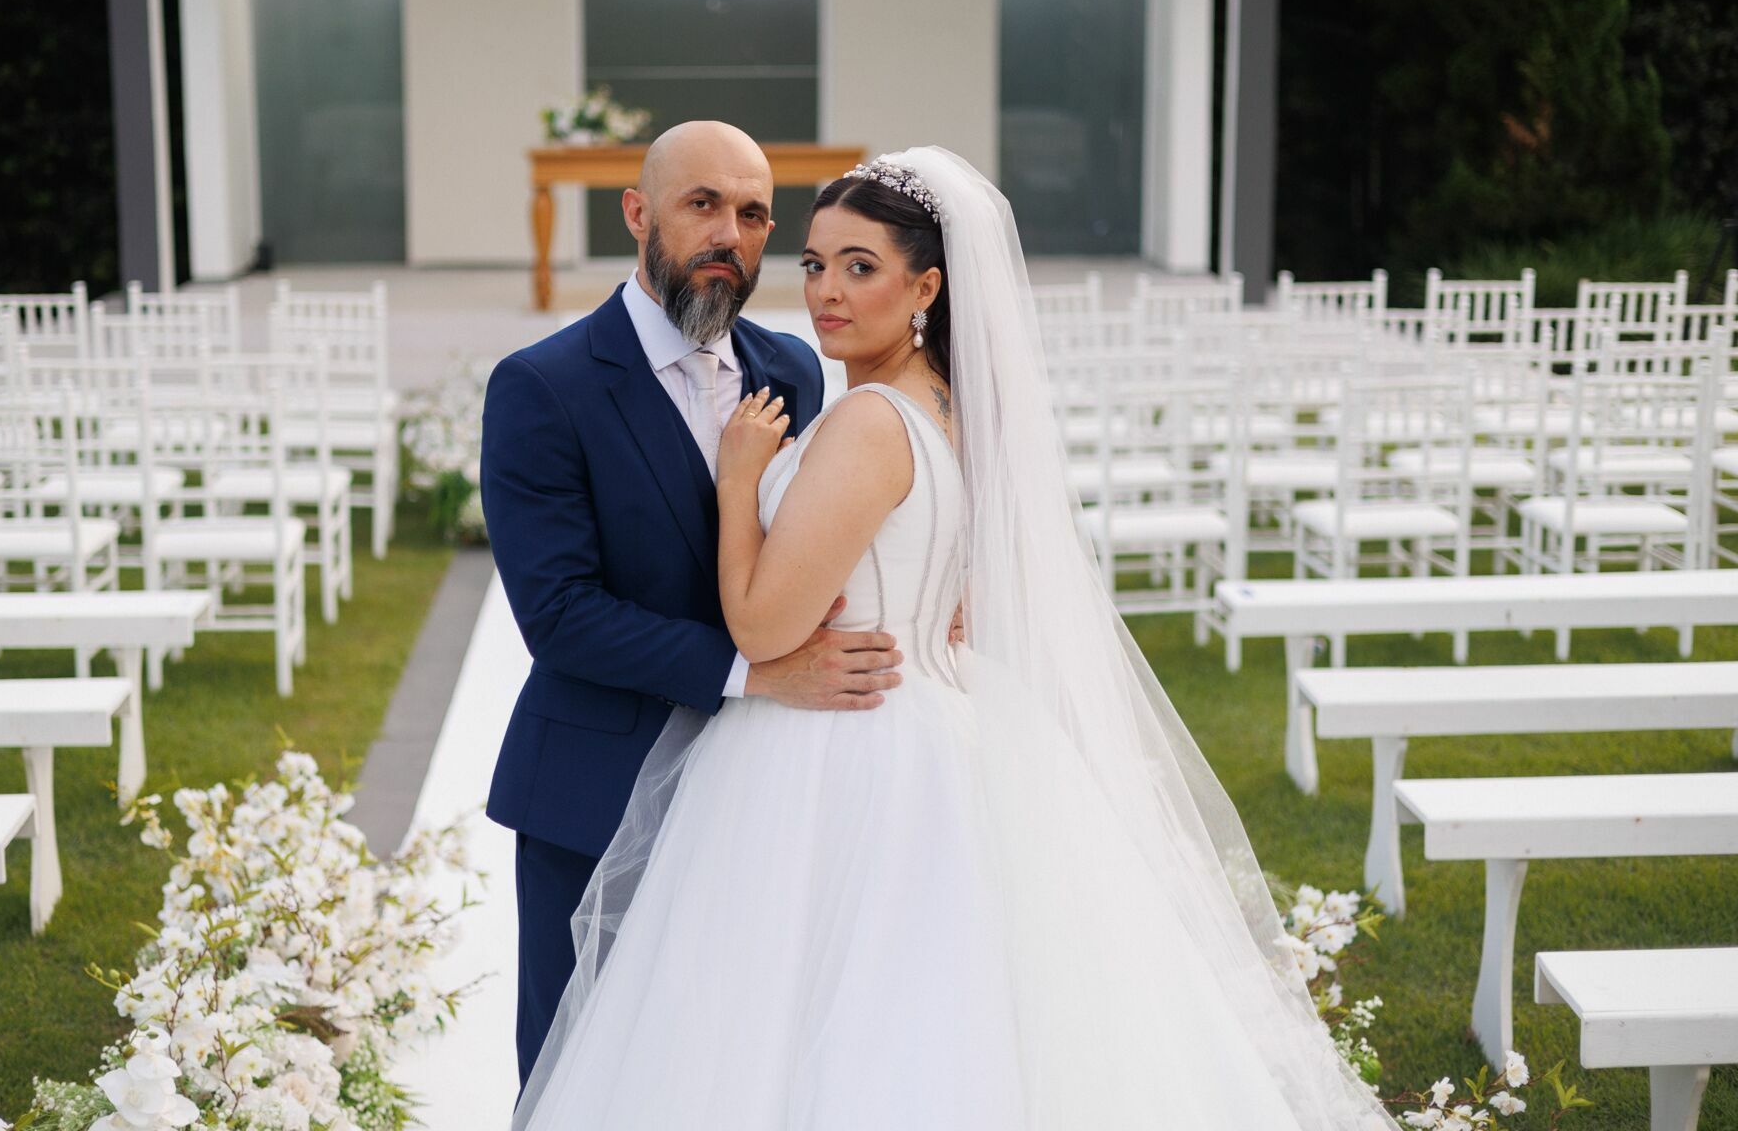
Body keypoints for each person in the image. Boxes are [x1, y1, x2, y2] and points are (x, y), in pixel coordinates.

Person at [508, 148, 1400, 1129]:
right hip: (908, 721)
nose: (824, 291)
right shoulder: (932, 402)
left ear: (927, 284)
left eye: (857, 265)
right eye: (814, 264)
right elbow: (563, 609)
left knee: (802, 1027)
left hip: (841, 739)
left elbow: (765, 619)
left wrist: (736, 486)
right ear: (639, 212)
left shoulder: (846, 404)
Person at [479, 120, 909, 1084]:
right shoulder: (541, 388)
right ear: (638, 214)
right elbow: (558, 614)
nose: (730, 234)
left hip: (763, 794)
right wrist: (757, 671)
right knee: (577, 1067)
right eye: (702, 204)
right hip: (598, 787)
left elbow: (821, 539)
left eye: (753, 214)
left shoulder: (792, 369)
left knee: (727, 1065)